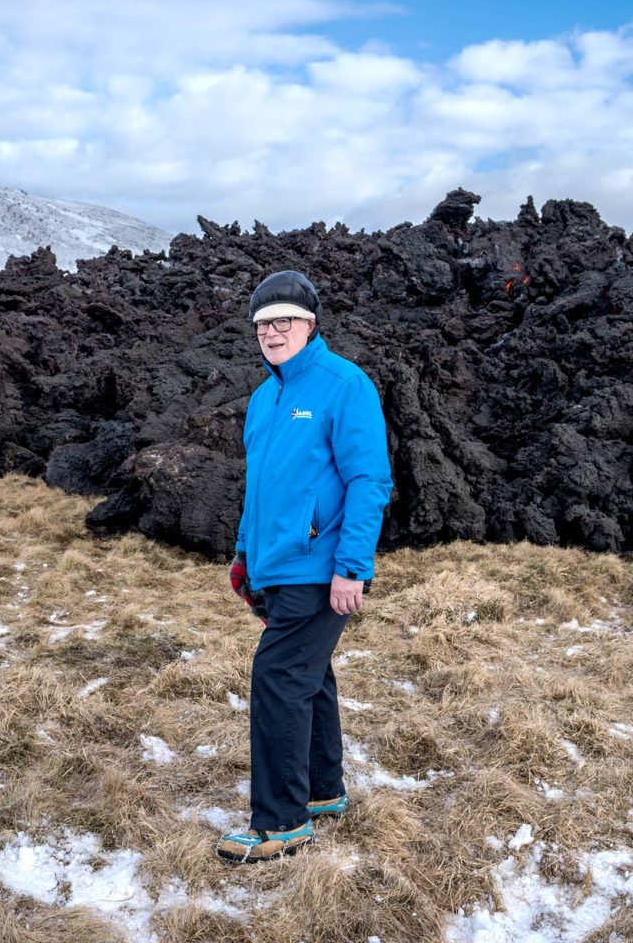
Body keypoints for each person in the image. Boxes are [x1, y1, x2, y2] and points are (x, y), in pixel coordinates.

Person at [216, 270, 393, 864]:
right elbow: (260, 488)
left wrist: (352, 567)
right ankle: (320, 793)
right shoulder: (265, 397)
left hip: (319, 567)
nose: (272, 332)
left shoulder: (344, 384)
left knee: (278, 680)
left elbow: (369, 480)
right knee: (308, 677)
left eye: (284, 320)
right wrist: (245, 555)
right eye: (263, 323)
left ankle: (280, 824)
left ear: (310, 324)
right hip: (274, 565)